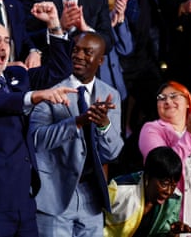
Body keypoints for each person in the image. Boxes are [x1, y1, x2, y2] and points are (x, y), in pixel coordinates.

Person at [0, 8, 76, 237]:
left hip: (22, 202)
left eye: (7, 40)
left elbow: (60, 69)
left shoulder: (18, 77)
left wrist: (55, 26)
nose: (4, 46)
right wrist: (33, 96)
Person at [28, 31, 124, 237]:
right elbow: (37, 140)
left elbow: (113, 152)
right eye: (76, 50)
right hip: (54, 196)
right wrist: (78, 122)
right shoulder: (51, 89)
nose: (79, 56)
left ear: (101, 60)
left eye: (87, 52)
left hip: (92, 198)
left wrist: (104, 124)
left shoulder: (110, 94)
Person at [103, 0, 171, 143]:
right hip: (120, 58)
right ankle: (118, 169)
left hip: (145, 56)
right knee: (117, 122)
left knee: (156, 109)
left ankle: (145, 154)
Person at [139, 80, 191, 235]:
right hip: (172, 225)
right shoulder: (151, 130)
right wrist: (189, 139)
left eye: (174, 96)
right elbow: (161, 166)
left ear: (188, 101)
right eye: (162, 98)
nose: (168, 101)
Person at [104, 146, 191, 237]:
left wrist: (173, 233)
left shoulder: (174, 198)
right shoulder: (119, 190)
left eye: (173, 185)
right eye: (164, 184)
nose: (169, 191)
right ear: (148, 177)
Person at [82, 0, 132, 101]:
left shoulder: (112, 11)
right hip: (93, 92)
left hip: (116, 90)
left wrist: (120, 21)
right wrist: (107, 27)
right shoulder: (81, 13)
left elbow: (126, 49)